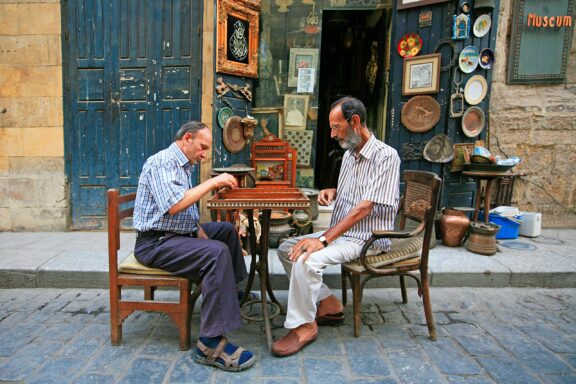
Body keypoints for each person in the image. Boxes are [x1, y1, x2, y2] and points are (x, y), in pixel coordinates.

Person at [272, 96, 401, 357]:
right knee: (287, 248)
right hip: (344, 234)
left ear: (355, 122)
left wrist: (322, 240)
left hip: (366, 238)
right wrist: (333, 191)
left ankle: (304, 326)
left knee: (306, 259)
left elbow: (364, 208)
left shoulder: (386, 156)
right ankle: (328, 303)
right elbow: (352, 195)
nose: (332, 134)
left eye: (336, 127)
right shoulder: (350, 155)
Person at [133, 120, 255, 372]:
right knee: (215, 253)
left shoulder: (183, 165)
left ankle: (232, 292)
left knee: (225, 232)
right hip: (155, 243)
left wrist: (196, 229)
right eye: (202, 147)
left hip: (174, 235)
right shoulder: (162, 162)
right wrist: (212, 183)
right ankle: (209, 343)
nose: (204, 154)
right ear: (187, 138)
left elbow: (182, 212)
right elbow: (174, 205)